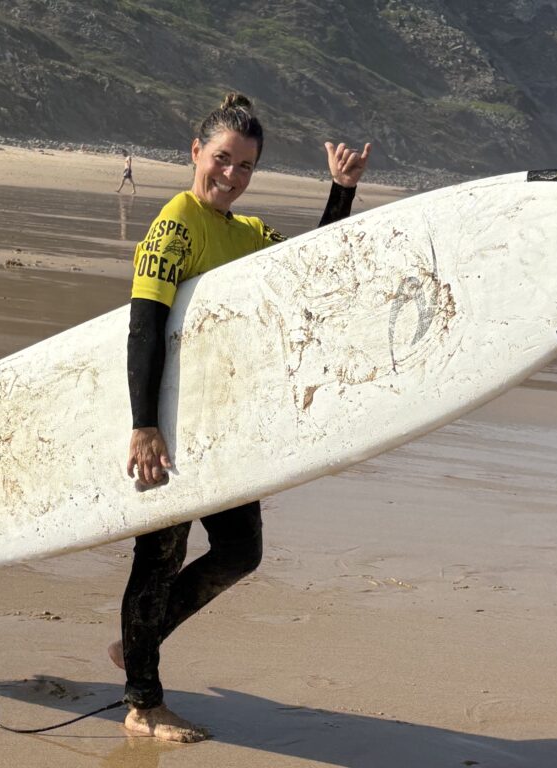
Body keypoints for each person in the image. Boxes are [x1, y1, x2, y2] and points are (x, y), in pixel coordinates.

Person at [112, 91, 371, 742]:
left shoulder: (247, 233)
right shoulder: (175, 226)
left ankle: (141, 637)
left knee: (239, 551)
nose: (231, 175)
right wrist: (144, 425)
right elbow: (144, 328)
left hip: (224, 426)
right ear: (195, 151)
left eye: (246, 166)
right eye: (222, 159)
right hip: (171, 423)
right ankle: (143, 703)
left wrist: (340, 191)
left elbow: (308, 268)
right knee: (159, 558)